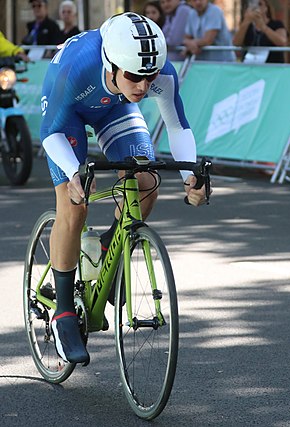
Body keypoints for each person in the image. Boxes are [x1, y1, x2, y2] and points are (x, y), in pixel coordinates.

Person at [40, 13, 208, 364]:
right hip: (67, 112)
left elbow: (177, 126)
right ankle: (64, 312)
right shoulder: (79, 67)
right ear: (111, 64)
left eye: (149, 78)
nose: (144, 87)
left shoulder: (153, 71)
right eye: (134, 76)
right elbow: (51, 134)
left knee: (145, 182)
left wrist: (190, 177)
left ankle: (108, 245)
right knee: (74, 206)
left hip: (114, 108)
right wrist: (73, 174)